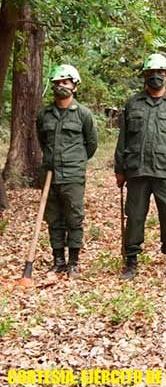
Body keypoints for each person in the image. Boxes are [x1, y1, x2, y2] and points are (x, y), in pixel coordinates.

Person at [114, 53, 166, 280]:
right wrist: (120, 169)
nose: (156, 77)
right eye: (151, 73)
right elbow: (123, 139)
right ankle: (131, 262)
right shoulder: (133, 103)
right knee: (135, 216)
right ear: (144, 76)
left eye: (160, 73)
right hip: (137, 170)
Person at [36, 64, 98, 278]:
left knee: (74, 218)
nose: (61, 86)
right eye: (57, 82)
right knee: (53, 218)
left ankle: (73, 261)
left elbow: (91, 145)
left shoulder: (83, 114)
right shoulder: (45, 114)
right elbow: (42, 141)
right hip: (50, 176)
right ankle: (58, 260)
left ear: (74, 86)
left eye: (65, 82)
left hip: (72, 175)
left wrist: (76, 161)